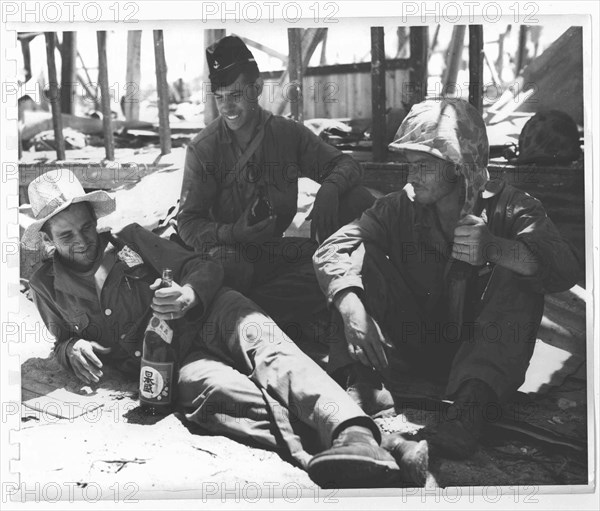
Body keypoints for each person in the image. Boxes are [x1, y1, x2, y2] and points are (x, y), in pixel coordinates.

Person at [22, 169, 426, 488]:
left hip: (213, 314)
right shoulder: (44, 286)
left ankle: (352, 429)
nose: (82, 240)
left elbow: (204, 266)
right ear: (47, 239)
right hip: (168, 364)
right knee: (223, 398)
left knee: (273, 354)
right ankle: (375, 445)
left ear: (95, 219)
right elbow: (62, 336)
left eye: (86, 227)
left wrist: (187, 295)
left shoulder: (132, 241)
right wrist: (70, 348)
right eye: (66, 235)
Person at [313, 98, 582, 458]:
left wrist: (496, 249)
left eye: (424, 166)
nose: (412, 177)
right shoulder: (399, 207)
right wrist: (349, 306)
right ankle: (363, 387)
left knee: (519, 272)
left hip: (480, 356)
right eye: (410, 166)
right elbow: (333, 248)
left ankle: (468, 414)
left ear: (459, 166)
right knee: (361, 258)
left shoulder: (513, 207)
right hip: (410, 346)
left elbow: (565, 268)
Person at [177, 35, 374, 352]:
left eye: (237, 94)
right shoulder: (204, 148)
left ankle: (249, 318)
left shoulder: (285, 133)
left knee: (349, 218)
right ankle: (275, 319)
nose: (227, 106)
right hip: (228, 258)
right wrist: (232, 232)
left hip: (271, 253)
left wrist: (330, 188)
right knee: (231, 268)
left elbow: (346, 165)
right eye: (220, 97)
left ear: (256, 89)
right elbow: (186, 224)